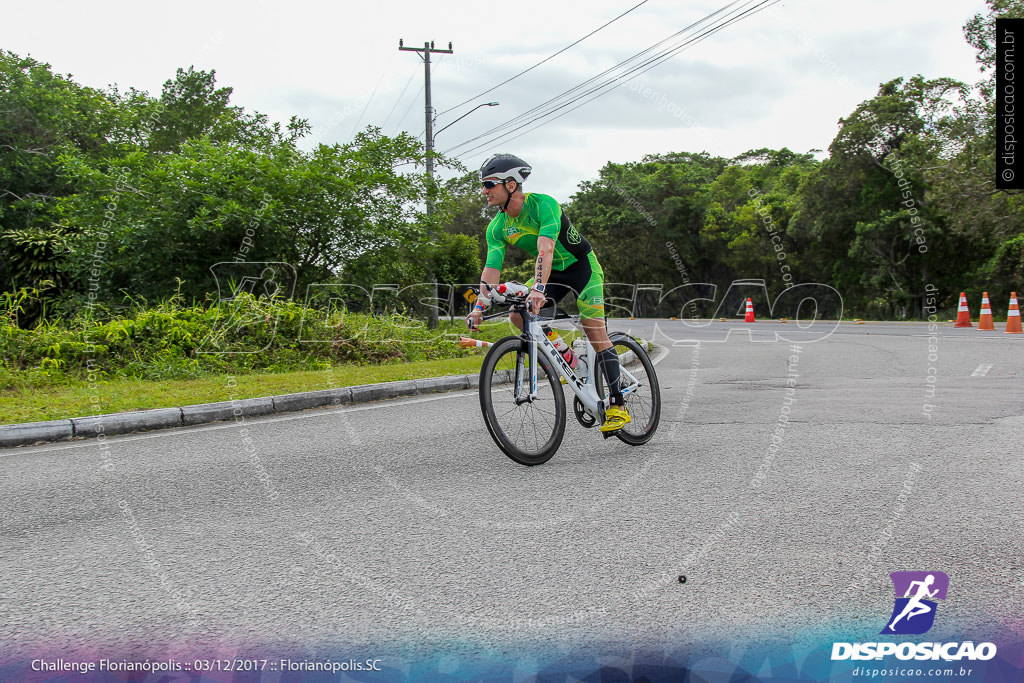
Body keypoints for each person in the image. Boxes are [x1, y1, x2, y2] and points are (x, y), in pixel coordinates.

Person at [466, 153, 630, 432]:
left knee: (595, 332)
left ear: (511, 184)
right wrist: (480, 305)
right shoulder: (497, 227)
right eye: (483, 184)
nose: (484, 190)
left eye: (489, 184)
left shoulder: (544, 205)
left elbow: (546, 249)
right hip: (552, 272)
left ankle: (617, 405)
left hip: (582, 268)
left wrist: (538, 289)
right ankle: (569, 358)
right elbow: (491, 270)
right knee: (519, 316)